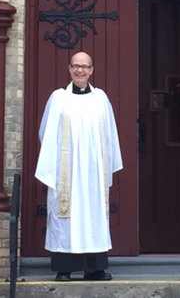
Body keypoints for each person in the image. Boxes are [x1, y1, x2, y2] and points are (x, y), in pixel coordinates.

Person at [35, 51, 123, 281]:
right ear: (69, 69)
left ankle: (94, 269)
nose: (80, 70)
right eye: (75, 66)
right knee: (66, 218)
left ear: (92, 70)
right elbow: (45, 131)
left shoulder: (101, 99)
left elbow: (110, 134)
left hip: (93, 172)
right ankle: (64, 269)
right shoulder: (58, 99)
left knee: (92, 216)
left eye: (84, 67)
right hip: (67, 172)